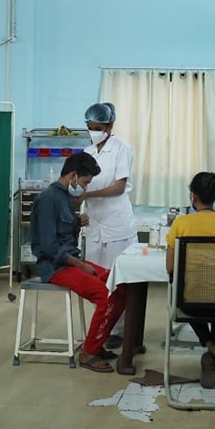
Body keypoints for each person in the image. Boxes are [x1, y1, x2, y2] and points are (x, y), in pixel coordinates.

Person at [30, 151, 127, 373]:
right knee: (104, 294)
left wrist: (76, 224)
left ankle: (97, 341)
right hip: (55, 266)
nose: (85, 188)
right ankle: (89, 353)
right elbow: (49, 247)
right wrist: (82, 265)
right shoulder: (47, 199)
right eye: (84, 182)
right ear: (73, 175)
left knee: (120, 285)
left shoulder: (65, 197)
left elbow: (63, 235)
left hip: (71, 261)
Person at [164, 172, 215, 389]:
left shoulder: (181, 224)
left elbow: (170, 268)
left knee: (187, 294)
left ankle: (211, 349)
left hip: (192, 304)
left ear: (193, 196)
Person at [79, 102, 137, 350]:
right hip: (95, 225)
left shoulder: (121, 149)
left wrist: (88, 196)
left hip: (116, 225)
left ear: (110, 125)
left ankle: (121, 331)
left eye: (98, 127)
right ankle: (101, 326)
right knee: (97, 281)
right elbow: (81, 185)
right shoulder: (87, 152)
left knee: (118, 281)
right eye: (90, 128)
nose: (94, 132)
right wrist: (80, 211)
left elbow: (119, 186)